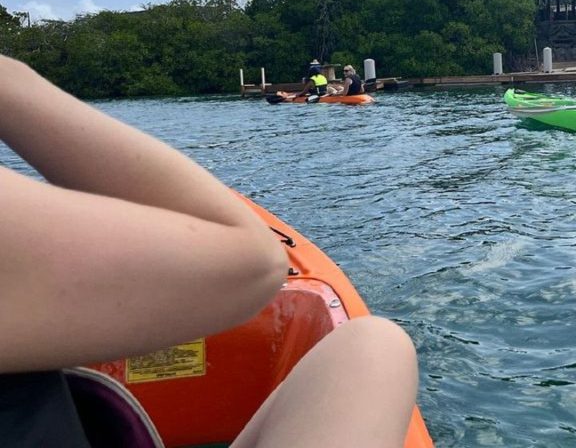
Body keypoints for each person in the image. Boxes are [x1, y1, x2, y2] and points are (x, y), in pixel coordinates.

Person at [0, 54, 418, 447]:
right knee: (376, 346)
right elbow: (254, 262)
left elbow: (251, 264)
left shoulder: (330, 82)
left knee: (373, 345)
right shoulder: (333, 81)